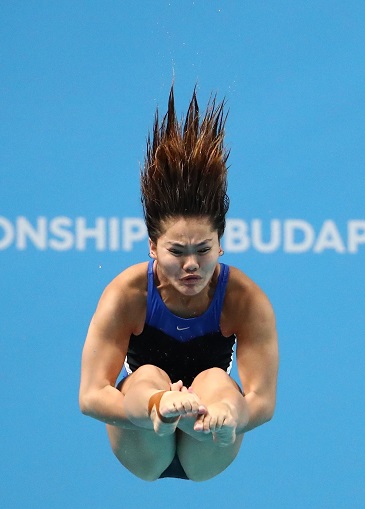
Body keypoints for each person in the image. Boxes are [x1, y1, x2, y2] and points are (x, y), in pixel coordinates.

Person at [78, 86, 278, 481]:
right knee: (147, 374)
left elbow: (263, 402)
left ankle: (197, 413)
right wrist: (156, 404)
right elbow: (90, 395)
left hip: (209, 445)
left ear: (221, 245)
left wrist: (232, 415)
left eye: (203, 250)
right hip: (141, 440)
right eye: (177, 251)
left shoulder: (244, 299)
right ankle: (161, 408)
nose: (192, 265)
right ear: (152, 247)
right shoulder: (128, 293)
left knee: (217, 382)